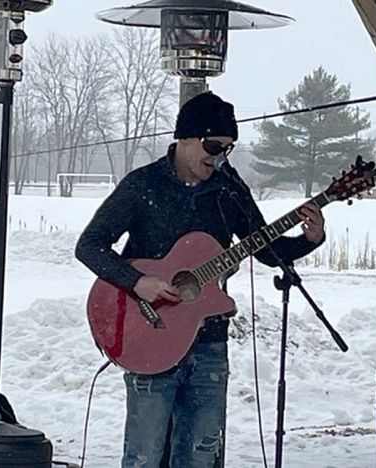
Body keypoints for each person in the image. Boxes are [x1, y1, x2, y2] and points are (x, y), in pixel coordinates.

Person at [75, 92, 325, 467]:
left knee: (200, 456)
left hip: (208, 342)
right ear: (185, 138)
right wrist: (137, 281)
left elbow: (264, 249)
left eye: (227, 148)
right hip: (149, 337)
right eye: (212, 146)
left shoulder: (227, 190)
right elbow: (89, 246)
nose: (218, 156)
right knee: (143, 456)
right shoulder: (143, 187)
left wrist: (310, 239)